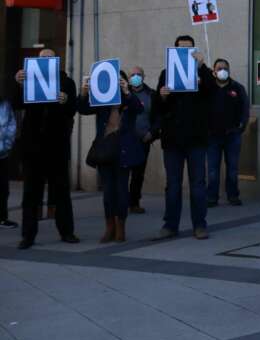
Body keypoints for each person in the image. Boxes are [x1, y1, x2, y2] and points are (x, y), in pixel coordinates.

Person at [12, 49, 79, 249]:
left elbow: (73, 108)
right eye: (41, 58)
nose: (45, 61)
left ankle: (66, 231)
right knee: (31, 193)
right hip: (33, 146)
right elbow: (17, 104)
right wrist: (18, 84)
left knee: (61, 191)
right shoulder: (28, 81)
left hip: (57, 145)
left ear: (56, 62)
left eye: (49, 58)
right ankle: (28, 235)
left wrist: (66, 100)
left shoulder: (66, 82)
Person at [150, 35, 213, 241]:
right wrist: (162, 96)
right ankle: (170, 225)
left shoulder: (203, 73)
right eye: (181, 48)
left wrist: (202, 68)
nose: (185, 52)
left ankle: (200, 225)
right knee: (173, 184)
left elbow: (213, 94)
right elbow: (158, 107)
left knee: (197, 184)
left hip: (196, 138)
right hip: (173, 139)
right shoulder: (166, 73)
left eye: (189, 48)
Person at [79, 71, 145, 243]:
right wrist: (84, 92)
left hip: (124, 151)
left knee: (122, 190)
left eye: (119, 81)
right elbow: (83, 109)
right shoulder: (101, 99)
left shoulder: (129, 99)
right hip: (105, 151)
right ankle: (110, 227)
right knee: (108, 191)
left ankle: (121, 226)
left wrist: (127, 91)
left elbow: (139, 108)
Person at [206, 58, 250, 208]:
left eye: (225, 68)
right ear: (214, 71)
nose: (222, 71)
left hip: (232, 135)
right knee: (212, 169)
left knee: (232, 168)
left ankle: (233, 196)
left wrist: (241, 127)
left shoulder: (237, 88)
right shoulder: (208, 89)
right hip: (212, 136)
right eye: (219, 68)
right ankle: (211, 197)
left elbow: (245, 110)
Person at [127, 66, 155, 214]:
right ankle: (122, 202)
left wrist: (152, 133)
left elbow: (158, 118)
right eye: (133, 74)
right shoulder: (122, 94)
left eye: (139, 74)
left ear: (144, 77)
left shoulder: (151, 95)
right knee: (123, 174)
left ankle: (134, 202)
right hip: (124, 141)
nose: (136, 77)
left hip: (143, 140)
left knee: (138, 174)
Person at [0, 81, 16, 229]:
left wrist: (7, 145)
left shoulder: (4, 105)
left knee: (3, 188)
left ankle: (2, 218)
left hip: (2, 154)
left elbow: (11, 125)